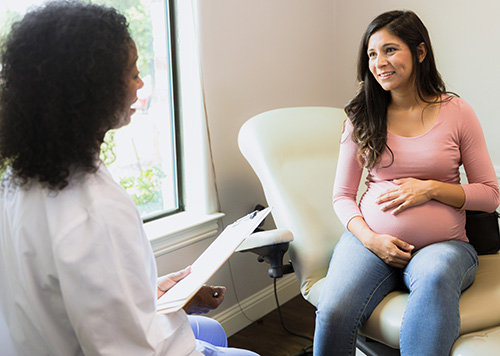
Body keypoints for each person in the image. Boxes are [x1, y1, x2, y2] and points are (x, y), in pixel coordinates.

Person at [0, 2, 258, 356]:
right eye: (132, 72)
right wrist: (173, 309)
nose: (139, 82)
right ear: (93, 89)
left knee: (210, 329)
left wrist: (149, 291)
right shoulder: (94, 210)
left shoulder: (15, 182)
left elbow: (67, 292)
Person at [313, 10, 500, 356]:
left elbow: (490, 196)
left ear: (420, 52)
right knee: (334, 310)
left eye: (389, 50)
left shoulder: (458, 112)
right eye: (371, 54)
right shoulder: (361, 115)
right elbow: (341, 196)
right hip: (371, 242)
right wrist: (371, 239)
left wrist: (429, 189)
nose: (379, 62)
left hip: (443, 246)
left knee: (435, 275)